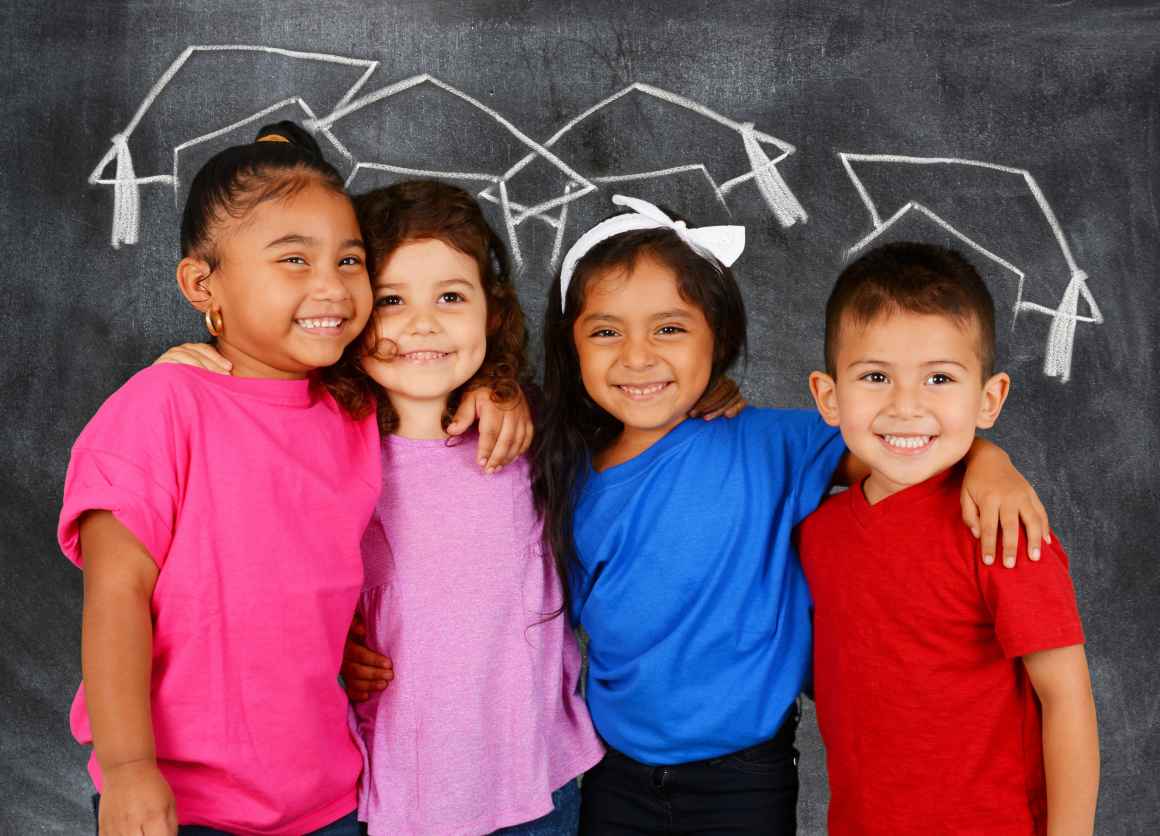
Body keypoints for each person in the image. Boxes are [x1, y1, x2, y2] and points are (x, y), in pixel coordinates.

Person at [528, 195, 1053, 835]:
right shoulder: (562, 470)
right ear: (571, 344)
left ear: (715, 338)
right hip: (614, 776)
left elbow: (900, 444)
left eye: (670, 328)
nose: (638, 357)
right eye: (606, 331)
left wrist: (989, 459)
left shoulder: (773, 444)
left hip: (744, 779)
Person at [59, 121, 377, 835]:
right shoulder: (161, 405)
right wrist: (130, 769)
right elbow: (116, 599)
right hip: (181, 803)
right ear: (204, 283)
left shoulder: (355, 412)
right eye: (294, 260)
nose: (332, 285)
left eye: (350, 260)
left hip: (327, 798)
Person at [799, 242, 1098, 834]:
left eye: (939, 377)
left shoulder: (1004, 530)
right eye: (876, 376)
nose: (906, 406)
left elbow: (1066, 700)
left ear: (988, 399)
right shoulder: (818, 535)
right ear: (828, 397)